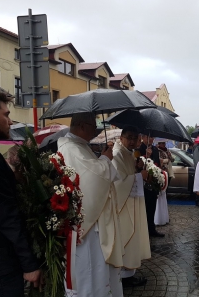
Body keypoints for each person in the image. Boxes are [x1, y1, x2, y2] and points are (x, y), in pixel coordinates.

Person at [58, 113, 124, 297]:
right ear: (81, 126)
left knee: (96, 270)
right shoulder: (71, 148)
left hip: (93, 220)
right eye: (92, 125)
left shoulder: (79, 146)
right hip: (86, 226)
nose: (96, 129)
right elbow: (93, 179)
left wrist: (101, 159)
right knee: (89, 269)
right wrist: (104, 159)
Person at [0, 92, 41, 297]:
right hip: (3, 265)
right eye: (5, 114)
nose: (10, 120)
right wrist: (29, 264)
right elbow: (6, 216)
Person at [112, 127, 150, 288]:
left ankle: (129, 273)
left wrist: (138, 167)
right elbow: (118, 184)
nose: (133, 141)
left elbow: (128, 174)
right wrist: (139, 176)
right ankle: (124, 277)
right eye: (129, 137)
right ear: (121, 137)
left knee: (131, 238)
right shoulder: (117, 155)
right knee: (126, 239)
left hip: (131, 202)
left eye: (136, 138)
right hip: (123, 206)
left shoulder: (128, 153)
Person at [139, 135, 165, 237]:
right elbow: (139, 164)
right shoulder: (139, 148)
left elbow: (157, 163)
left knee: (152, 207)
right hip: (143, 183)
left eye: (153, 138)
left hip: (153, 183)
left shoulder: (155, 149)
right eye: (149, 137)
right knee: (144, 208)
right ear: (143, 137)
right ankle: (143, 230)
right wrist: (147, 156)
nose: (151, 139)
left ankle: (152, 229)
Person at [155, 141, 173, 226]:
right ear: (159, 144)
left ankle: (164, 213)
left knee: (166, 190)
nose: (164, 145)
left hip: (168, 172)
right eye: (162, 143)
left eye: (164, 143)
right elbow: (160, 161)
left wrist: (169, 157)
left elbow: (172, 159)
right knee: (161, 192)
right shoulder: (157, 150)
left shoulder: (167, 150)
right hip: (162, 172)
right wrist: (166, 160)